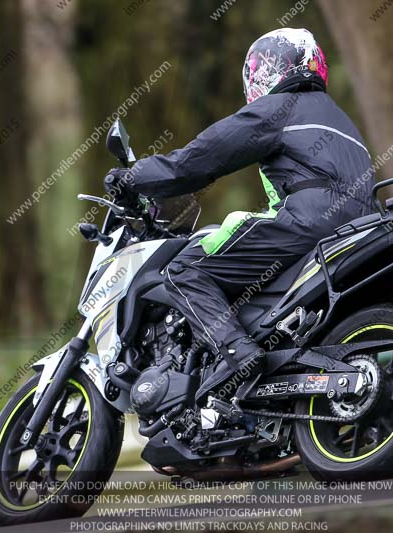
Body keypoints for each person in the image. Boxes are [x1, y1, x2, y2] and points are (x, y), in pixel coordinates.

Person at [106, 28, 374, 400]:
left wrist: (134, 177)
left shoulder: (280, 107)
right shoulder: (341, 119)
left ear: (272, 69)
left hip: (308, 221)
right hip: (358, 225)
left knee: (184, 270)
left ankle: (237, 352)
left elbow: (199, 159)